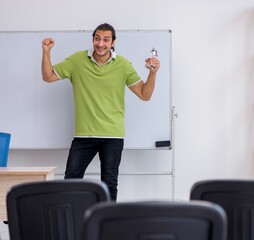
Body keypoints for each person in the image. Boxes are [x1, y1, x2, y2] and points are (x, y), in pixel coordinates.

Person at [41, 23, 160, 201]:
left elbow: (145, 95)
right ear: (93, 39)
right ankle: (70, 223)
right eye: (97, 38)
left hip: (112, 135)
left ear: (113, 43)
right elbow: (48, 76)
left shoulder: (123, 65)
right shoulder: (77, 60)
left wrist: (153, 73)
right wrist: (46, 52)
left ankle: (107, 226)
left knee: (109, 184)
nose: (101, 43)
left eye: (106, 39)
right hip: (84, 135)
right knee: (70, 181)